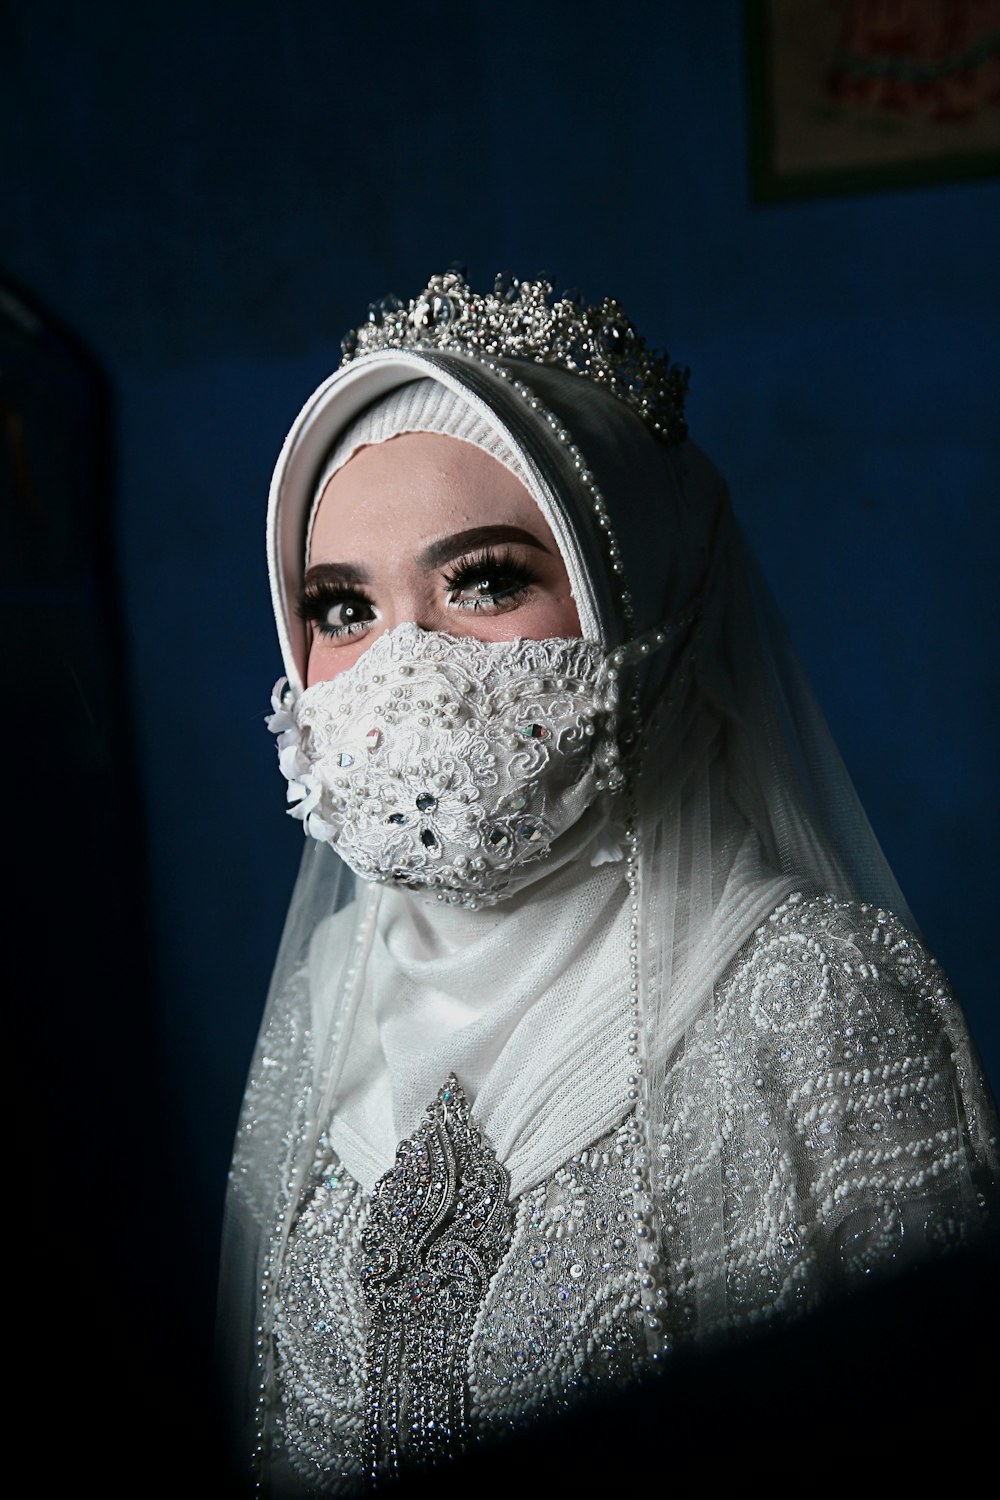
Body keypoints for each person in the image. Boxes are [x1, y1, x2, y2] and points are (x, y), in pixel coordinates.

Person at [219, 269, 998, 1495]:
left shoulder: (808, 1002)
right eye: (341, 607)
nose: (400, 666)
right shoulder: (333, 991)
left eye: (482, 580)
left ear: (643, 598)